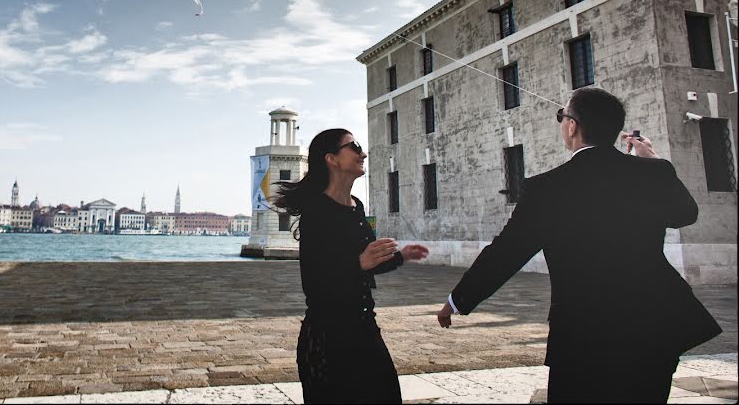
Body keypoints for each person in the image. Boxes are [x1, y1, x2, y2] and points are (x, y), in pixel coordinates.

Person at [435, 87, 722, 404]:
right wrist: (652, 160)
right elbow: (686, 214)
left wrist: (458, 299)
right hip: (654, 326)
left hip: (583, 332)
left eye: (561, 117)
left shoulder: (546, 188)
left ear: (572, 125)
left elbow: (506, 253)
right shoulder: (654, 173)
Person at [273, 128, 429, 404]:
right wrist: (358, 262)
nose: (363, 153)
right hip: (328, 339)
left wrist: (401, 256)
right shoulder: (316, 212)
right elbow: (314, 282)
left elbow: (368, 263)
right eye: (354, 147)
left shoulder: (356, 206)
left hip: (365, 329)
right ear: (331, 159)